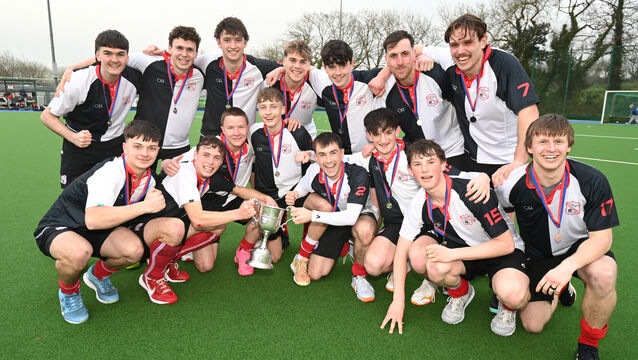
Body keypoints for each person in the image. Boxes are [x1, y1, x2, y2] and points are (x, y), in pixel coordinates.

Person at [33, 120, 182, 323]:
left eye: (151, 148)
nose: (144, 153)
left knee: (134, 251)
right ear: (125, 147)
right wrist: (145, 206)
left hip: (102, 229)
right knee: (78, 253)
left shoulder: (150, 180)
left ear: (157, 151)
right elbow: (93, 220)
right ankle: (69, 292)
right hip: (64, 226)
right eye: (137, 146)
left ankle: (97, 275)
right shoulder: (111, 172)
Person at [495, 114, 618, 358]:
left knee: (604, 275)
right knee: (533, 325)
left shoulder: (592, 180)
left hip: (579, 250)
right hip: (538, 254)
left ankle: (588, 346)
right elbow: (507, 223)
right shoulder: (509, 183)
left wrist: (567, 267)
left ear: (569, 145)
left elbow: (602, 239)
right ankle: (558, 290)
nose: (551, 149)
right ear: (529, 147)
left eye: (559, 142)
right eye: (542, 142)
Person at [381, 139, 528, 336]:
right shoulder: (418, 203)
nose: (424, 169)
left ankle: (508, 308)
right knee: (432, 265)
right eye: (417, 164)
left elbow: (506, 245)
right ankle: (461, 293)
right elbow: (401, 253)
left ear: (443, 165)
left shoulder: (471, 190)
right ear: (410, 169)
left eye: (430, 162)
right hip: (466, 255)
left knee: (513, 295)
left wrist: (451, 254)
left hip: (501, 252)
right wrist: (397, 302)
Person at [346, 108, 491, 305]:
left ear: (397, 131)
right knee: (373, 266)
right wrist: (307, 155)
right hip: (398, 225)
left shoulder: (413, 155)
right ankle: (405, 263)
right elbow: (338, 159)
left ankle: (430, 281)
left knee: (420, 259)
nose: (383, 140)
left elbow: (452, 172)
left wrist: (482, 177)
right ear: (368, 136)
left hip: (428, 224)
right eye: (376, 134)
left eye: (388, 132)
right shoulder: (371, 159)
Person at [58, 26, 205, 172]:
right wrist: (73, 68)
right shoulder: (148, 61)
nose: (184, 54)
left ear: (196, 53)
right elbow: (113, 58)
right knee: (136, 190)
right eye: (179, 48)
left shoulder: (200, 73)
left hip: (178, 147)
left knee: (176, 192)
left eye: (190, 50)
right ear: (169, 48)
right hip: (144, 142)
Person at [138, 136, 259, 304]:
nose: (210, 162)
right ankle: (152, 276)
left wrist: (265, 200)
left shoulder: (208, 177)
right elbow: (198, 220)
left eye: (216, 158)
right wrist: (238, 213)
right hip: (142, 230)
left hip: (166, 227)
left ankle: (167, 260)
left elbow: (237, 190)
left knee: (217, 226)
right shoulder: (184, 172)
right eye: (206, 155)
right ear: (194, 155)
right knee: (177, 226)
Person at [420, 14, 540, 182]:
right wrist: (422, 57)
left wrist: (519, 160)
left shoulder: (504, 63)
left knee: (508, 207)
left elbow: (529, 111)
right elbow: (413, 49)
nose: (460, 51)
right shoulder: (449, 58)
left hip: (505, 160)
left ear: (483, 41)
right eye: (454, 44)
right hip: (471, 158)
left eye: (468, 42)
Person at [161, 107, 275, 276]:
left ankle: (244, 251)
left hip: (235, 197)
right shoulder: (211, 146)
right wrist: (165, 163)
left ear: (247, 127)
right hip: (208, 203)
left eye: (241, 127)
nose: (236, 133)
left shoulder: (252, 145)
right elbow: (179, 161)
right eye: (230, 128)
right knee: (205, 265)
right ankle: (182, 247)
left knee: (263, 207)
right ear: (222, 129)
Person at [286, 132, 379, 302]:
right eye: (322, 155)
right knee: (315, 273)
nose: (328, 160)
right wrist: (294, 194)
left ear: (342, 153)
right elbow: (303, 188)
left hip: (358, 215)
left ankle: (359, 276)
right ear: (316, 157)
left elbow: (351, 217)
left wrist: (313, 215)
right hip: (332, 217)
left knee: (364, 230)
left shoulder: (357, 174)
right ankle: (301, 258)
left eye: (333, 153)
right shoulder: (314, 170)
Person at [41, 30, 141, 188]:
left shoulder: (134, 77)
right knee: (74, 201)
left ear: (127, 58)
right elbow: (47, 116)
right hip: (80, 147)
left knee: (113, 198)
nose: (114, 60)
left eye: (120, 54)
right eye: (107, 53)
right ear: (97, 56)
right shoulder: (78, 82)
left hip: (114, 146)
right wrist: (73, 137)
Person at [379, 30, 468, 169]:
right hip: (420, 159)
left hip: (452, 152)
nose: (400, 62)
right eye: (393, 56)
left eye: (405, 54)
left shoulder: (436, 74)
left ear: (414, 54)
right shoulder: (385, 89)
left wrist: (426, 53)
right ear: (387, 60)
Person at [250, 87, 314, 263]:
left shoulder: (297, 131)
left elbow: (315, 155)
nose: (268, 112)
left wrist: (309, 154)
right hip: (268, 194)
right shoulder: (253, 132)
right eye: (263, 107)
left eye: (273, 106)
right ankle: (280, 234)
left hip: (294, 189)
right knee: (275, 257)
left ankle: (309, 242)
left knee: (320, 204)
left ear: (283, 110)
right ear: (258, 109)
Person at [195, 17, 280, 136]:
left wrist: (282, 69)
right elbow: (181, 61)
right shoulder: (207, 62)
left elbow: (293, 66)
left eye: (238, 40)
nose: (233, 46)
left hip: (242, 137)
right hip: (211, 138)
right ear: (219, 42)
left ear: (245, 42)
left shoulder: (258, 67)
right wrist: (163, 55)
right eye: (227, 40)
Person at [307, 39, 387, 154]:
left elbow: (398, 62)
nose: (338, 72)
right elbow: (304, 68)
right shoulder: (322, 82)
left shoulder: (367, 79)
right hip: (341, 158)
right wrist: (281, 69)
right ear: (325, 68)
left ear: (352, 64)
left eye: (342, 65)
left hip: (369, 154)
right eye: (332, 67)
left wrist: (382, 77)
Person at [270, 40, 321, 138]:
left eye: (303, 62)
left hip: (305, 141)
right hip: (275, 140)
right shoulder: (271, 82)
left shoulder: (315, 85)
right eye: (292, 60)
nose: (297, 66)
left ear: (308, 64)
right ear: (284, 61)